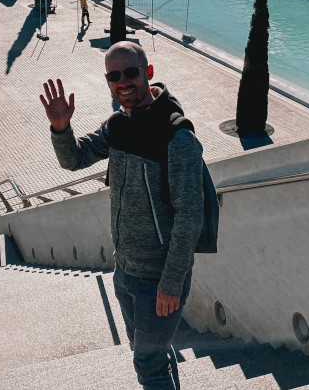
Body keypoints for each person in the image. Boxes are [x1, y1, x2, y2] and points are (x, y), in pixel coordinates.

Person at [40, 43, 205, 390]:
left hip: (157, 279)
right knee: (151, 356)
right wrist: (60, 128)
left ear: (149, 72)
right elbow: (75, 158)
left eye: (131, 72)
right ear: (107, 81)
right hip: (125, 270)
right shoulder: (118, 124)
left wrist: (171, 283)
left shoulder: (177, 137)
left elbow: (190, 217)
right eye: (114, 76)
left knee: (148, 365)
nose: (123, 82)